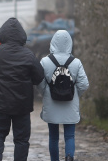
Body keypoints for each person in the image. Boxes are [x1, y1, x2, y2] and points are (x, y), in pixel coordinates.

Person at [0, 17, 45, 161]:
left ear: (2, 35)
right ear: (22, 36)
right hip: (21, 105)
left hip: (0, 102)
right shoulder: (29, 56)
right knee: (21, 139)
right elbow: (39, 76)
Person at [37, 30, 89, 161]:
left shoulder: (45, 61)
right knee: (70, 136)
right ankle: (69, 156)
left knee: (53, 137)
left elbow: (39, 83)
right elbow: (84, 84)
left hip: (51, 104)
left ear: (53, 42)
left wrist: (46, 93)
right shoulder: (76, 62)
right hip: (70, 104)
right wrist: (75, 94)